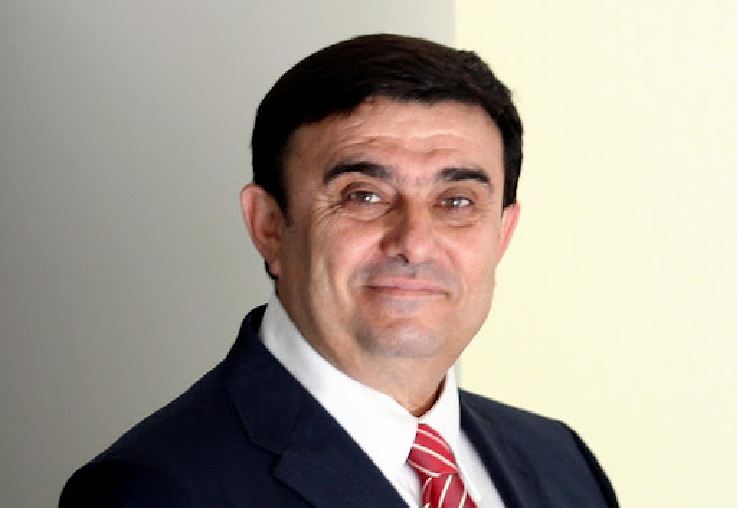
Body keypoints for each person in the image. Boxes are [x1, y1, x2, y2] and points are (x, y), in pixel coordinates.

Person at [60, 34, 618, 507]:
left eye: (456, 202)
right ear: (269, 226)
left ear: (503, 233)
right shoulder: (154, 489)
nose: (414, 243)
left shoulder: (561, 462)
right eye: (364, 195)